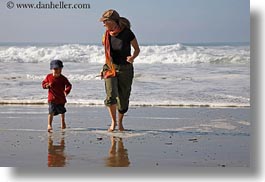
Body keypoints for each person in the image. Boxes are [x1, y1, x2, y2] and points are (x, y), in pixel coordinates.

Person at [99, 9, 140, 132]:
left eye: (105, 21)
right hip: (110, 67)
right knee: (111, 96)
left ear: (112, 21)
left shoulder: (127, 33)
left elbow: (137, 49)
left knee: (123, 98)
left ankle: (121, 123)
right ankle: (113, 122)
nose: (103, 24)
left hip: (125, 69)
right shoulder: (106, 34)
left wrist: (132, 57)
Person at [42, 60, 72, 132]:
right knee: (51, 111)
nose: (57, 71)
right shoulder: (48, 77)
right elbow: (43, 84)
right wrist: (46, 85)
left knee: (62, 111)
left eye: (59, 69)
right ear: (51, 69)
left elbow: (69, 85)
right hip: (52, 98)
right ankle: (49, 124)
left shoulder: (63, 78)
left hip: (61, 98)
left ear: (61, 69)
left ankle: (63, 122)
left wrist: (66, 91)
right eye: (55, 69)